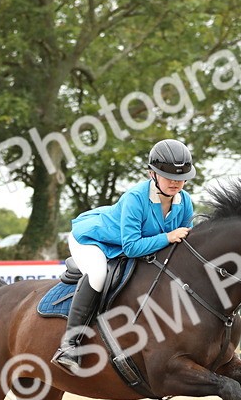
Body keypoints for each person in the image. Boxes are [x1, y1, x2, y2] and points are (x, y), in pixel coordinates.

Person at [51, 139, 196, 375]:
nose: (175, 182)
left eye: (180, 177)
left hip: (127, 243)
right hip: (93, 239)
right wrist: (168, 237)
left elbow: (180, 246)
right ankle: (69, 345)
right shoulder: (135, 198)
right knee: (98, 275)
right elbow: (131, 247)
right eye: (167, 175)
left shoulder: (185, 201)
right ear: (152, 174)